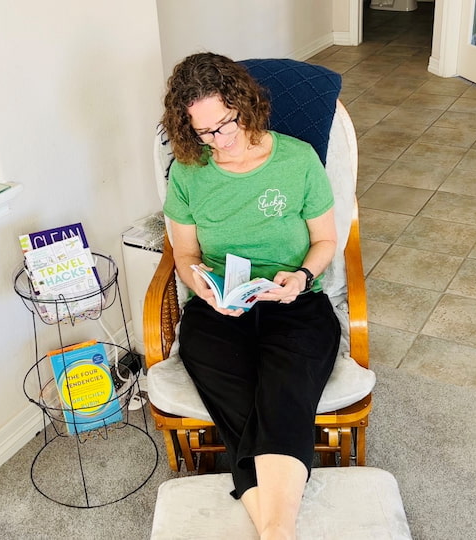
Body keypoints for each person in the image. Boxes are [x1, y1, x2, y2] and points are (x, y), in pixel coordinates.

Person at [161, 52, 341, 540]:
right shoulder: (188, 171)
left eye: (226, 123)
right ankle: (279, 531)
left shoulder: (297, 158)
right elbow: (184, 252)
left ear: (245, 105)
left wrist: (301, 275)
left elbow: (326, 241)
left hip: (295, 300)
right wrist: (201, 284)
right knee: (238, 399)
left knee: (285, 391)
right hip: (221, 307)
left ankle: (273, 530)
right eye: (205, 132)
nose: (221, 140)